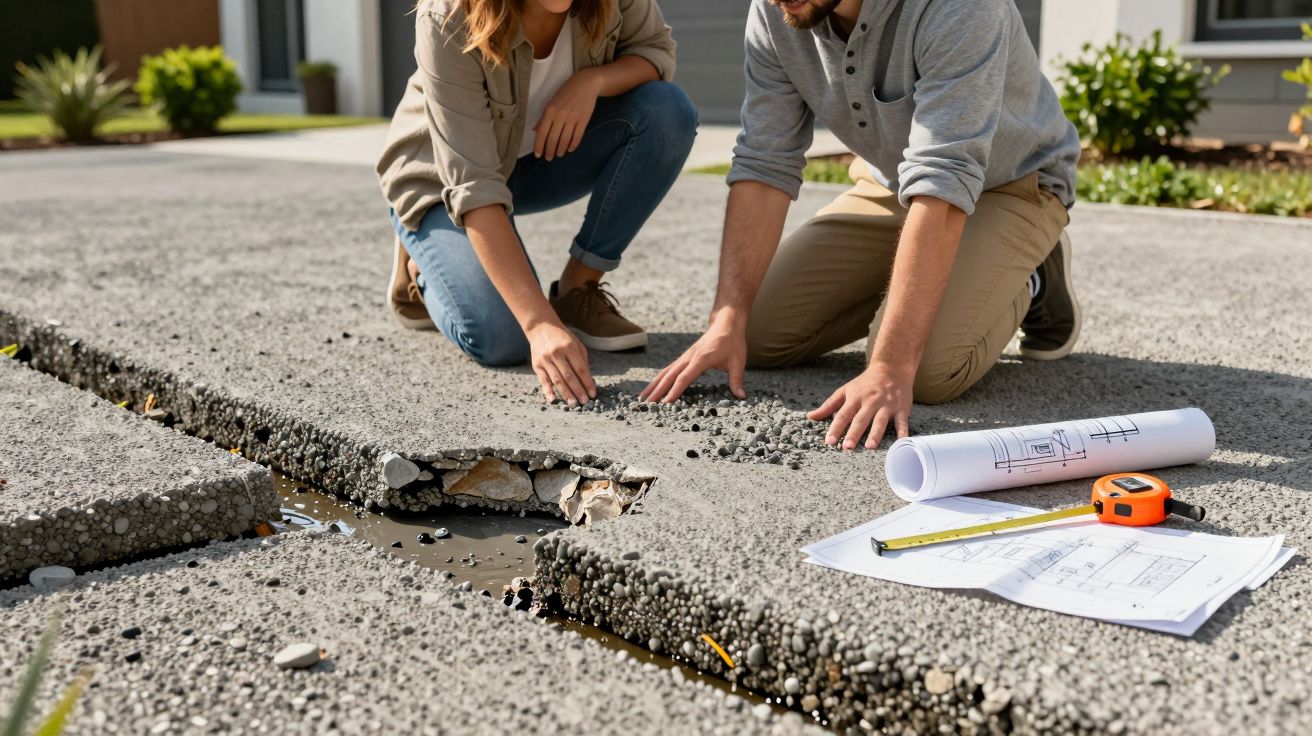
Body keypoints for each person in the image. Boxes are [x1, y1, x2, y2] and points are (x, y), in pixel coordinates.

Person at [643, 0, 1082, 450]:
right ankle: (924, 278)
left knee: (927, 371)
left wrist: (890, 367)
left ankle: (1030, 277)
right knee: (753, 335)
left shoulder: (963, 7)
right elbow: (765, 159)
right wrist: (726, 320)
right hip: (894, 185)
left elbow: (944, 177)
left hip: (1011, 184)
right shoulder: (777, 9)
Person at [377, 0, 697, 406]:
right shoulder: (448, 16)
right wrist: (539, 324)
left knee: (667, 112)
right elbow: (473, 185)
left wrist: (592, 82)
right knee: (503, 338)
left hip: (535, 164)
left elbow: (654, 52)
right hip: (439, 182)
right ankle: (423, 263)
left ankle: (578, 290)